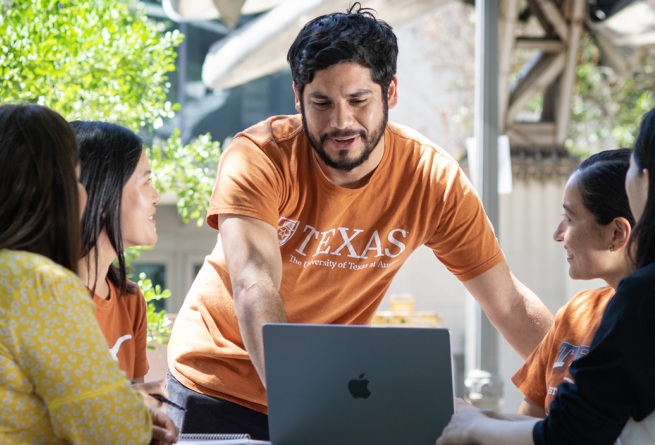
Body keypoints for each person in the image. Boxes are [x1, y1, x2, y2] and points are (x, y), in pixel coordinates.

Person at [165, 2, 553, 438]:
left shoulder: (432, 179)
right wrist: (297, 400)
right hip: (217, 382)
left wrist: (578, 389)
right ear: (298, 97)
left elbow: (507, 302)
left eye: (358, 100)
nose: (341, 122)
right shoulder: (258, 155)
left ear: (390, 94)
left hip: (330, 389)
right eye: (321, 102)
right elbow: (255, 283)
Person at [437, 94, 655, 444]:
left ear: (647, 180)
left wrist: (472, 428)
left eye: (631, 167)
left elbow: (571, 434)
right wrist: (481, 418)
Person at [0, 103, 177, 444]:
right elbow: (112, 430)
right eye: (71, 176)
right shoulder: (40, 285)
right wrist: (130, 408)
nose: (155, 197)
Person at [512, 148, 634, 419]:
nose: (558, 234)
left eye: (569, 218)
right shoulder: (575, 312)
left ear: (616, 233)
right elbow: (527, 421)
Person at [72, 120, 161, 383]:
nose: (156, 196)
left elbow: (133, 410)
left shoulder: (131, 300)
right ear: (101, 196)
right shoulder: (41, 301)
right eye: (146, 182)